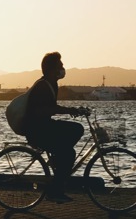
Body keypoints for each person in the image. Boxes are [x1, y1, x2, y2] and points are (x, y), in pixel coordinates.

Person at [23, 52, 88, 203]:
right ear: (52, 69)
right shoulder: (42, 86)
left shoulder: (51, 84)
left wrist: (72, 111)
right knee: (69, 153)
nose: (63, 69)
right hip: (37, 130)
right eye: (60, 66)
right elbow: (45, 110)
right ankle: (54, 191)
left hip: (44, 126)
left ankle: (58, 159)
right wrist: (69, 111)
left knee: (76, 130)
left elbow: (51, 109)